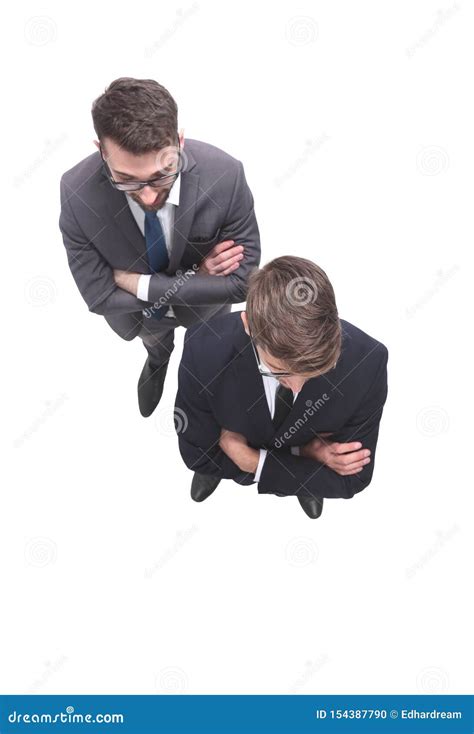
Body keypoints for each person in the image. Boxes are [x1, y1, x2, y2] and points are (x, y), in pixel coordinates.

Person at [58, 77, 260, 416]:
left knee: (209, 361)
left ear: (179, 142)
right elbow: (98, 297)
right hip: (139, 318)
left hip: (203, 311)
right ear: (101, 152)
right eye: (126, 180)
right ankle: (158, 360)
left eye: (161, 175)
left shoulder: (226, 175)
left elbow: (243, 283)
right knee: (156, 344)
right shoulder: (77, 192)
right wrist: (202, 277)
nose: (149, 196)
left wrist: (139, 283)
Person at [175, 256, 389, 518]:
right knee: (210, 465)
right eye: (281, 372)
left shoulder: (369, 361)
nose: (298, 388)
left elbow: (352, 480)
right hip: (279, 462)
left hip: (239, 452)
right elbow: (198, 456)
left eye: (315, 371)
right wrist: (306, 462)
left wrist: (252, 461)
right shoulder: (204, 349)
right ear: (248, 326)